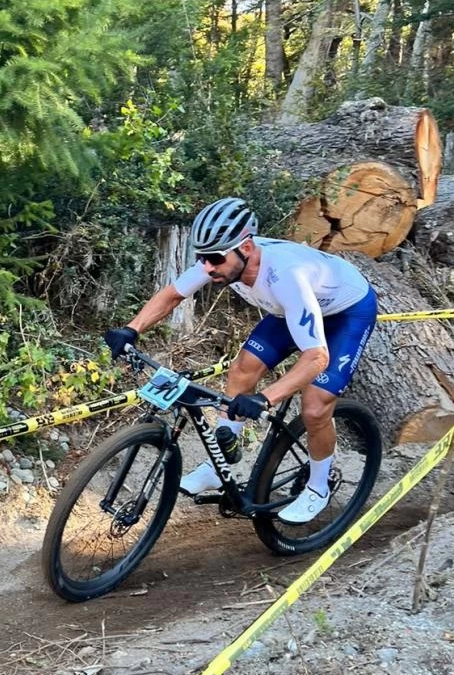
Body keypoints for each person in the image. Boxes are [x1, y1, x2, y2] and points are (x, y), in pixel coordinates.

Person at [104, 197, 377, 523]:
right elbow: (174, 294)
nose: (207, 267)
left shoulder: (286, 274)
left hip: (346, 313)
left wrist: (265, 398)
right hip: (290, 308)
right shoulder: (222, 257)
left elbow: (317, 357)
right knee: (242, 370)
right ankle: (221, 464)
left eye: (214, 259)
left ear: (246, 248)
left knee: (316, 405)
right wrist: (131, 330)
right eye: (202, 258)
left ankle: (319, 486)